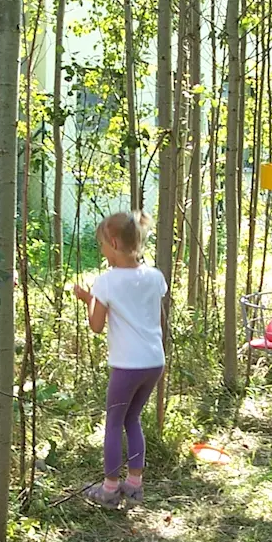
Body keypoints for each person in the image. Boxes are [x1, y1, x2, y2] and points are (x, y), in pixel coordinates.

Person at [72, 211, 167, 509]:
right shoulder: (155, 276)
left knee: (114, 423)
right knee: (132, 418)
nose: (101, 250)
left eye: (102, 244)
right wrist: (95, 299)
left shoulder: (106, 282)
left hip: (127, 365)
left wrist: (89, 301)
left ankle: (110, 489)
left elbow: (97, 325)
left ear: (113, 242)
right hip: (153, 361)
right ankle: (135, 485)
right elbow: (154, 317)